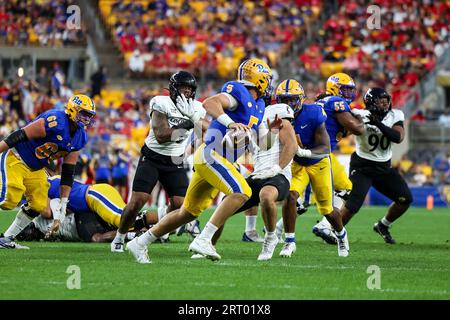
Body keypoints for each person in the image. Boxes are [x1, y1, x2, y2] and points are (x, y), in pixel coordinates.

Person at [126, 58, 279, 263]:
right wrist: (231, 123)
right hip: (211, 155)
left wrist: (273, 132)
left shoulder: (259, 105)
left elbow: (264, 144)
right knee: (242, 192)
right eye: (267, 79)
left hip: (216, 160)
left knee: (187, 213)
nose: (269, 85)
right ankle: (204, 239)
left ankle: (139, 243)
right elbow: (211, 103)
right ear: (259, 79)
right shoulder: (238, 93)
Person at [110, 71, 207, 253]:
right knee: (138, 201)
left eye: (189, 89)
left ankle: (159, 228)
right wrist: (186, 124)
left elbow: (206, 131)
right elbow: (161, 136)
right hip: (153, 157)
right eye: (181, 88)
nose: (185, 92)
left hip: (175, 159)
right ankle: (120, 236)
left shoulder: (197, 108)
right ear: (172, 89)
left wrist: (195, 124)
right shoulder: (161, 103)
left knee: (181, 204)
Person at [196, 101, 297, 260]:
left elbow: (291, 146)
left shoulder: (282, 121)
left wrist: (277, 169)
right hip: (258, 175)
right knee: (227, 202)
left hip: (279, 175)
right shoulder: (256, 127)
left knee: (266, 194)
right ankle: (208, 244)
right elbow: (253, 147)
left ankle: (270, 238)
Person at [0, 94, 95, 249]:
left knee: (38, 205)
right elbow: (20, 135)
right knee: (8, 199)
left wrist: (64, 203)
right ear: (72, 109)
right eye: (84, 113)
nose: (86, 118)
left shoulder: (80, 137)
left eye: (89, 115)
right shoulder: (55, 120)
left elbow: (68, 172)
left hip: (36, 168)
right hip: (16, 157)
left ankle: (6, 239)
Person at [276, 79, 350, 258]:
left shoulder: (313, 113)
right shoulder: (277, 116)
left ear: (300, 99)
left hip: (318, 163)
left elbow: (325, 147)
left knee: (327, 210)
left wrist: (303, 151)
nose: (288, 105)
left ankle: (341, 235)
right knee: (291, 196)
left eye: (292, 100)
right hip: (298, 165)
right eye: (284, 100)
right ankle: (289, 242)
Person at [333, 88, 412, 244]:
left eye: (386, 101)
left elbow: (397, 137)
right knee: (352, 205)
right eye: (381, 102)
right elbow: (342, 121)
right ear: (370, 102)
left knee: (405, 199)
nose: (385, 104)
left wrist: (377, 123)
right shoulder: (359, 114)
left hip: (383, 168)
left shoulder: (395, 115)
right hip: (362, 166)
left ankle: (383, 225)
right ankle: (335, 233)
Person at [14, 175, 166, 243]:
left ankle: (175, 217)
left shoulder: (42, 185)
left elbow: (46, 211)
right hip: (93, 199)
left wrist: (29, 203)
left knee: (122, 220)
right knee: (123, 221)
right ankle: (157, 229)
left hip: (94, 196)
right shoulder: (49, 182)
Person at [310, 73, 365, 244]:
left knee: (301, 200)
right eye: (345, 89)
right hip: (321, 155)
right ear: (335, 88)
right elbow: (356, 129)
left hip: (312, 151)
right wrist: (362, 120)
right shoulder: (335, 101)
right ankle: (324, 226)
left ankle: (277, 231)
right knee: (346, 191)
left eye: (351, 90)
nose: (349, 94)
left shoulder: (323, 101)